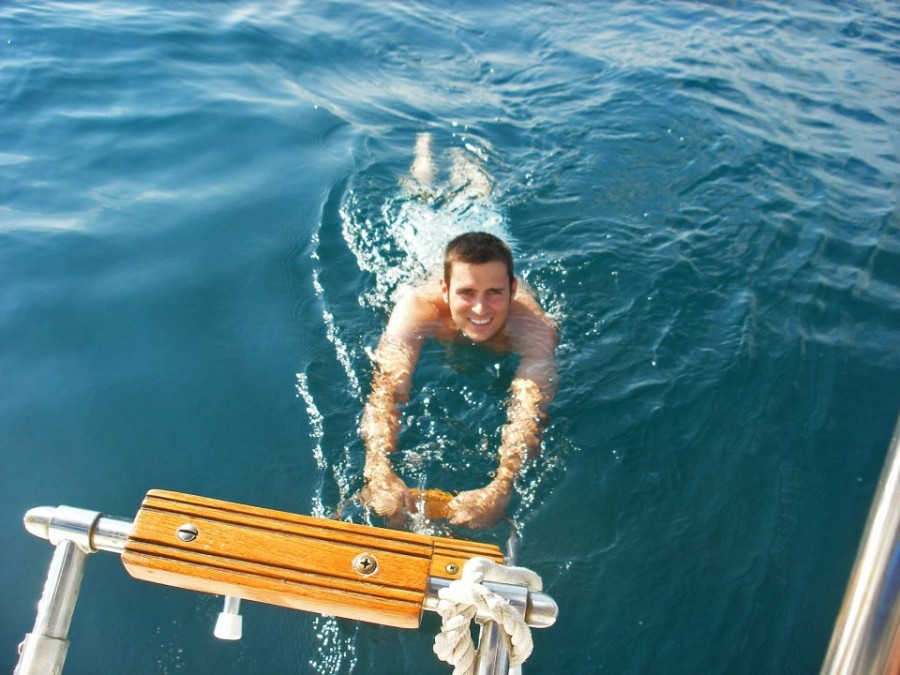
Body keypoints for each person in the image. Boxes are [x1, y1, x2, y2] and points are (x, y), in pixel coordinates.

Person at [360, 143, 558, 528]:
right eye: (466, 293)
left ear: (513, 289)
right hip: (428, 238)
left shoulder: (533, 326)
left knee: (479, 195)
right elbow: (386, 388)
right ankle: (424, 149)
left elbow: (530, 408)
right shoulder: (417, 309)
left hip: (486, 233)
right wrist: (378, 470)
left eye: (494, 293)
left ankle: (471, 157)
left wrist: (502, 486)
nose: (481, 310)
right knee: (422, 193)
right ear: (445, 290)